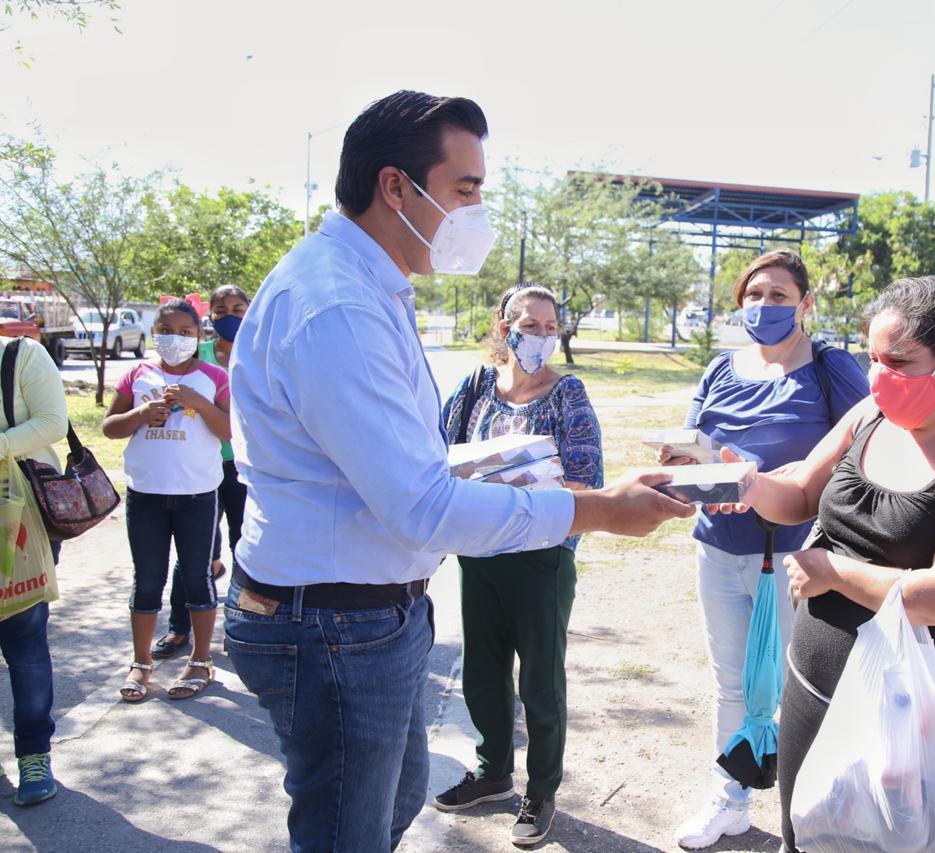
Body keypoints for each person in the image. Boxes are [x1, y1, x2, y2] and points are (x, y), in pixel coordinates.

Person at [222, 89, 693, 853]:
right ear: (395, 186)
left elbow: (403, 464)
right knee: (348, 832)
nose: (477, 210)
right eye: (465, 189)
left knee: (398, 792)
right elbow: (421, 505)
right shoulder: (336, 306)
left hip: (371, 612)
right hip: (333, 623)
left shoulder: (370, 288)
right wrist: (598, 508)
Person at [714, 275, 935, 852]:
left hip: (907, 708)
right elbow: (801, 491)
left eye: (898, 361)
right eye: (872, 358)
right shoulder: (870, 414)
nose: (879, 376)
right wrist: (747, 484)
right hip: (811, 683)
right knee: (802, 835)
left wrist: (830, 571)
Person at [667, 249, 869, 850]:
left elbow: (859, 454)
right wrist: (685, 461)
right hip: (718, 546)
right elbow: (697, 443)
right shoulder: (720, 368)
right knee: (731, 683)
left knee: (795, 686)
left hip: (795, 556)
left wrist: (773, 480)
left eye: (779, 295)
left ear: (805, 304)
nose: (764, 306)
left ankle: (803, 815)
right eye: (754, 296)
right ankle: (728, 800)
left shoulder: (831, 369)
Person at [433, 283, 603, 846]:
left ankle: (542, 791)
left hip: (540, 558)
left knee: (540, 681)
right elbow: (439, 454)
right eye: (531, 326)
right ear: (504, 329)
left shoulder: (568, 394)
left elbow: (586, 481)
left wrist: (518, 485)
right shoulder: (475, 387)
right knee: (481, 672)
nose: (542, 337)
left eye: (551, 328)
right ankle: (493, 772)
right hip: (480, 553)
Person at [103, 299, 231, 702]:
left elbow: (229, 430)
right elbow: (109, 428)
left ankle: (200, 660)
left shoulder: (214, 377)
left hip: (197, 495)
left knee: (197, 576)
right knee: (147, 581)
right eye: (166, 330)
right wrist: (142, 413)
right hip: (146, 495)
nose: (174, 339)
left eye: (185, 332)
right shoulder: (137, 376)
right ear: (153, 332)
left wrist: (197, 402)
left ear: (199, 335)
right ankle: (141, 664)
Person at [151, 285, 251, 661]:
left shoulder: (261, 351)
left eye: (239, 308)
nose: (230, 316)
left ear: (251, 310)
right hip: (201, 466)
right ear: (209, 316)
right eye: (221, 310)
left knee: (246, 545)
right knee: (195, 552)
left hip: (246, 465)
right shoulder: (200, 355)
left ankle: (240, 627)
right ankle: (179, 628)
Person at [0, 336, 68, 805]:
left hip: (19, 520)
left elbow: (52, 422)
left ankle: (33, 756)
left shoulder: (20, 354)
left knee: (24, 643)